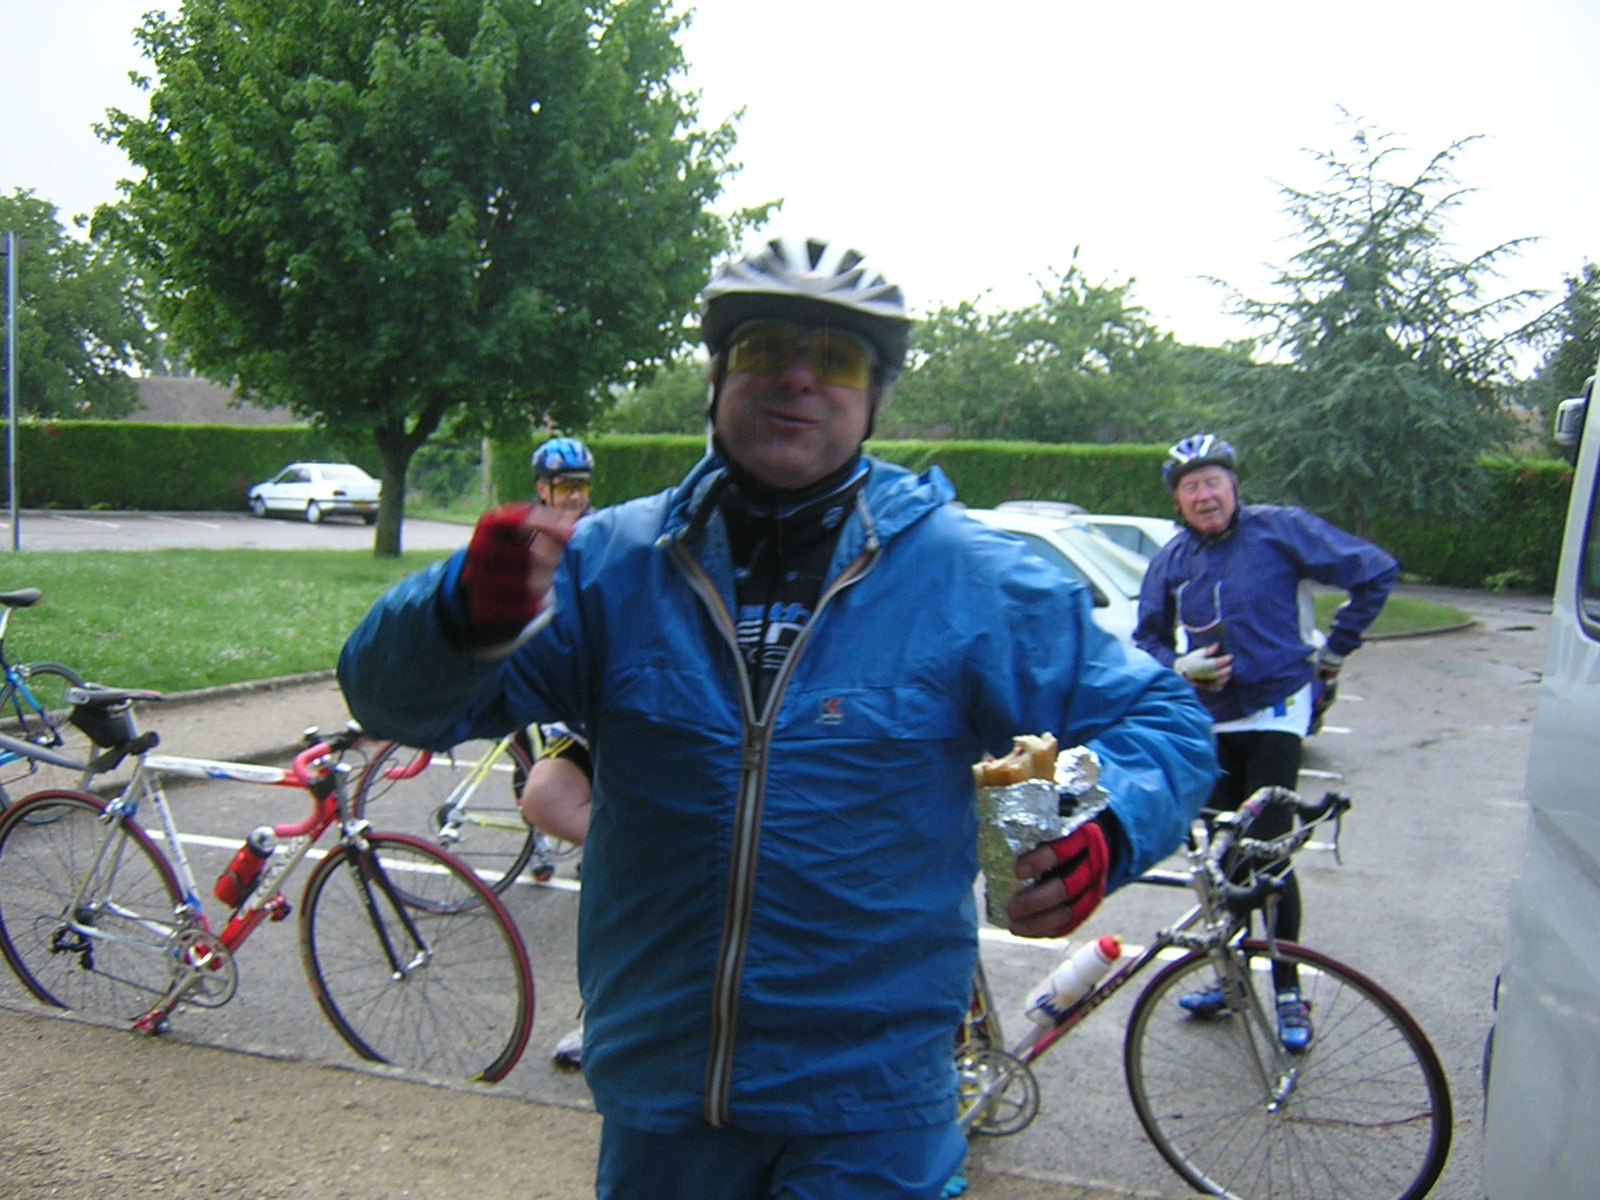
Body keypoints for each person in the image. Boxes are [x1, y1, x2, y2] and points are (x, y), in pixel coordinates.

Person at [339, 235, 1217, 1200]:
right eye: (765, 348)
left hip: (872, 1113)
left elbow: (1162, 719)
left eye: (837, 359)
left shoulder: (969, 578)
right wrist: (455, 620)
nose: (799, 377)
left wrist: (1105, 821)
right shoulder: (611, 567)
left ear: (874, 399)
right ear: (716, 377)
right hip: (663, 1103)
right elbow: (392, 704)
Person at [1133, 433, 1399, 1052]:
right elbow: (1147, 638)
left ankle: (1287, 990)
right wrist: (1178, 666)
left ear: (1234, 486)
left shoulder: (1281, 530)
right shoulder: (1172, 560)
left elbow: (1376, 571)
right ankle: (1230, 983)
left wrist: (1334, 653)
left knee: (1269, 855)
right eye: (1191, 487)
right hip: (1213, 722)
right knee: (1226, 861)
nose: (1204, 495)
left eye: (1213, 482)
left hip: (1278, 710)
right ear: (1178, 501)